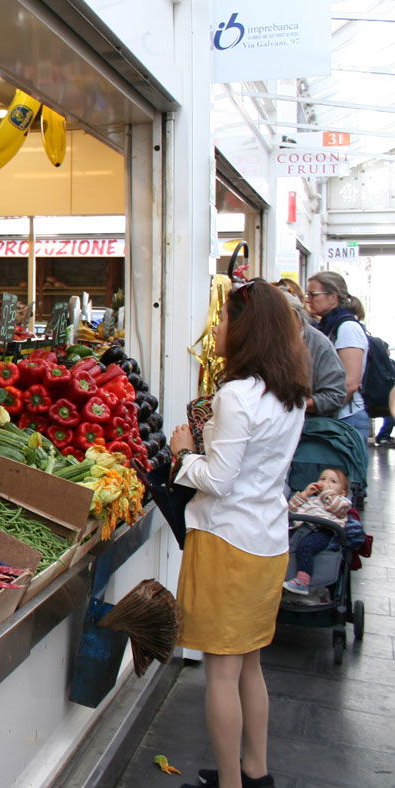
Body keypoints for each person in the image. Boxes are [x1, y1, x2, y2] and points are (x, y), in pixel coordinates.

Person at [169, 279, 310, 788]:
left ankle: (230, 783)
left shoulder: (237, 395)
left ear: (246, 329)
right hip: (268, 539)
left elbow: (219, 480)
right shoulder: (291, 394)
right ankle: (255, 770)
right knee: (250, 665)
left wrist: (184, 453)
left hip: (226, 542)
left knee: (221, 674)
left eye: (225, 319)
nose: (217, 327)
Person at [305, 271, 370, 441]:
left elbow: (350, 383)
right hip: (334, 417)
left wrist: (324, 407)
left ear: (333, 297)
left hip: (345, 420)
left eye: (313, 294)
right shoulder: (325, 326)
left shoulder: (347, 327)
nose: (307, 299)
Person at [277, 287, 346, 417]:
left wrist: (296, 405)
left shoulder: (320, 344)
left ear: (293, 315)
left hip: (307, 429)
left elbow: (335, 396)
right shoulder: (269, 341)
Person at [283, 468, 352, 595]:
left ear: (343, 492)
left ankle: (302, 582)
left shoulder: (341, 502)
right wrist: (305, 493)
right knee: (282, 543)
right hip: (301, 528)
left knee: (306, 547)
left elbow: (335, 507)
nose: (326, 483)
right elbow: (291, 508)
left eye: (333, 481)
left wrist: (327, 493)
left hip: (324, 531)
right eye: (322, 479)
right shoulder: (312, 499)